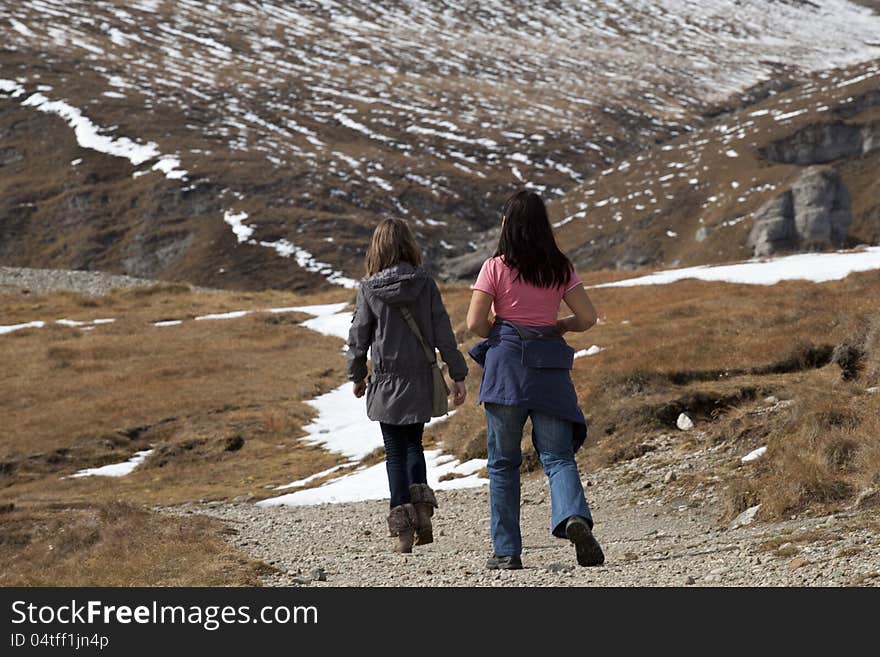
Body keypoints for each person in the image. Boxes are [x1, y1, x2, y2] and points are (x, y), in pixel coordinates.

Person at [466, 190, 604, 570]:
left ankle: (507, 552)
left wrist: (502, 328)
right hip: (549, 369)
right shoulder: (559, 267)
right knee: (558, 457)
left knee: (503, 463)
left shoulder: (494, 267)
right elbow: (588, 318)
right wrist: (558, 324)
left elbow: (475, 324)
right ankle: (573, 516)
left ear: (507, 224)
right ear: (544, 225)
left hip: (507, 368)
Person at [347, 218, 468, 554]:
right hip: (420, 379)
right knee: (414, 445)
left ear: (377, 249)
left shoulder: (369, 289)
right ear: (409, 246)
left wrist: (357, 375)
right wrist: (457, 374)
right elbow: (443, 331)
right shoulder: (425, 284)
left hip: (386, 380)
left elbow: (358, 338)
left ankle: (402, 529)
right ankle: (423, 512)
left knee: (394, 453)